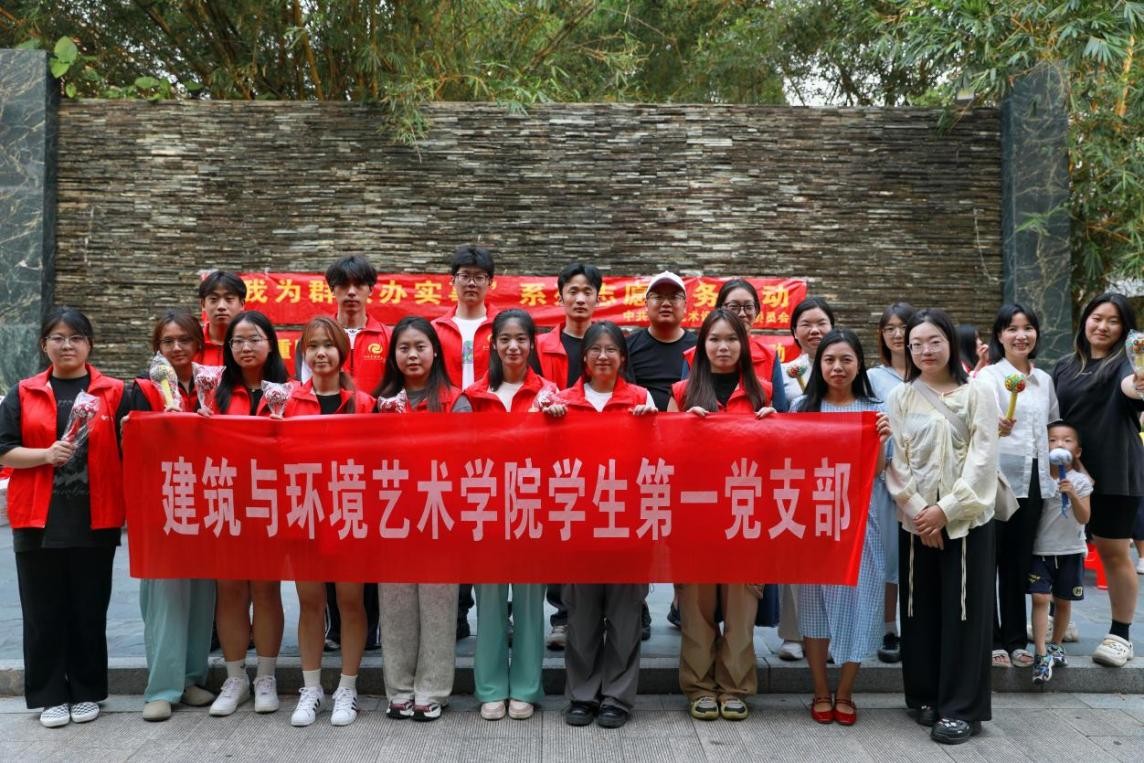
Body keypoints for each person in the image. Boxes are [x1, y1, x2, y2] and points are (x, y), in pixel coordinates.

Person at [0, 308, 127, 728]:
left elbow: (134, 444)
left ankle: (87, 691)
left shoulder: (113, 392)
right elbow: (4, 450)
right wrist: (45, 454)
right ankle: (50, 695)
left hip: (95, 518)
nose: (66, 345)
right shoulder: (23, 392)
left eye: (76, 337)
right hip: (36, 519)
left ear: (89, 345)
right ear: (44, 345)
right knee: (43, 613)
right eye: (57, 337)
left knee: (89, 610)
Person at [885, 308, 999, 745]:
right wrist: (920, 511)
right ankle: (926, 696)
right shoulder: (901, 396)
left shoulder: (978, 392)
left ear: (951, 342)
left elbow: (983, 460)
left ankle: (961, 708)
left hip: (966, 523)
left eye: (934, 341)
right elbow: (896, 461)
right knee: (920, 610)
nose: (925, 351)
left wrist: (945, 511)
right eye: (916, 344)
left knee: (964, 613)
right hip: (916, 522)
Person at [542, 321, 657, 729]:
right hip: (579, 524)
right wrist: (547, 422)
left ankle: (617, 698)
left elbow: (660, 456)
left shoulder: (641, 399)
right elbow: (543, 458)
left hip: (628, 525)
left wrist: (653, 424)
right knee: (582, 618)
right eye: (596, 349)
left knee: (625, 619)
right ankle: (582, 695)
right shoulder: (562, 402)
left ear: (622, 357)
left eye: (611, 349)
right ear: (585, 358)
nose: (603, 356)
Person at [667, 309, 775, 722]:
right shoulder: (681, 392)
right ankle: (698, 687)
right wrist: (681, 427)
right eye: (714, 339)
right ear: (701, 346)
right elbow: (662, 456)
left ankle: (735, 686)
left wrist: (775, 427)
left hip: (746, 515)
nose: (723, 347)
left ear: (743, 345)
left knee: (741, 608)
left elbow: (782, 455)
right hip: (695, 517)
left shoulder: (763, 392)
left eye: (731, 339)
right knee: (696, 608)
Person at [793, 329, 892, 726]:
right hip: (811, 523)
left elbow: (879, 470)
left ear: (859, 364)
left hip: (859, 523)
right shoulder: (803, 407)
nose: (837, 367)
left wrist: (880, 441)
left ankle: (846, 691)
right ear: (818, 364)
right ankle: (820, 690)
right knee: (813, 608)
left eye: (846, 360)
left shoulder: (875, 409)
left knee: (861, 604)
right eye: (830, 360)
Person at [374, 316, 469, 721]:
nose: (412, 355)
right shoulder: (379, 402)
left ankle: (432, 689)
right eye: (404, 348)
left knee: (437, 605)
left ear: (436, 352)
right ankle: (398, 688)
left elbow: (465, 456)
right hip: (392, 514)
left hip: (438, 513)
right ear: (393, 356)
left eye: (420, 347)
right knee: (395, 604)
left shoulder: (455, 400)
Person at [464, 310, 557, 721]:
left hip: (532, 508)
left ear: (532, 344)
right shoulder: (473, 395)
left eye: (521, 339)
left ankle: (525, 687)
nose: (513, 346)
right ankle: (490, 687)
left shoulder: (550, 394)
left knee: (529, 602)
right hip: (486, 508)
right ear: (494, 344)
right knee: (489, 602)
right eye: (505, 339)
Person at [282, 317, 375, 728]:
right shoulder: (288, 401)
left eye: (328, 345)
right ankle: (311, 688)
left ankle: (347, 688)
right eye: (313, 346)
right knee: (310, 602)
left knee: (350, 602)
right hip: (304, 511)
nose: (321, 353)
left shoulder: (364, 403)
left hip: (349, 511)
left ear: (343, 352)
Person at [126, 310, 216, 722]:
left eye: (184, 340)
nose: (177, 348)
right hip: (161, 503)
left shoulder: (211, 385)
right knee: (165, 597)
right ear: (157, 348)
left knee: (201, 593)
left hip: (208, 501)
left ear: (198, 344)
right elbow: (130, 445)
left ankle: (192, 678)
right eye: (167, 341)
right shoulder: (142, 389)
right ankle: (161, 687)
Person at [200, 310, 290, 717]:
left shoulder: (290, 391)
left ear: (270, 343)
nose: (245, 347)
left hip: (272, 503)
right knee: (231, 590)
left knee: (266, 589)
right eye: (237, 341)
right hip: (227, 502)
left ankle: (266, 677)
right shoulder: (214, 391)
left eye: (254, 339)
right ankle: (235, 678)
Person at [296, 255, 385, 657]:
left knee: (361, 554)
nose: (350, 292)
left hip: (363, 456)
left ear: (370, 290)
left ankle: (368, 626)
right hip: (315, 470)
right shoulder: (316, 335)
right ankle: (334, 627)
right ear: (331, 290)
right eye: (342, 285)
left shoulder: (385, 336)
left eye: (358, 285)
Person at [1051, 293, 1144, 667]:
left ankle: (1121, 635)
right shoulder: (1064, 366)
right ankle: (1061, 621)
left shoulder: (1125, 365)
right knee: (1060, 549)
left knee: (1113, 552)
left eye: (1113, 321)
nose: (1102, 326)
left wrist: (1139, 380)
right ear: (1085, 320)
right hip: (1067, 476)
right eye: (1096, 317)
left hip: (1115, 473)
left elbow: (1131, 387)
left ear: (1124, 329)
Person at [977, 304, 1058, 669]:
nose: (1021, 335)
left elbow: (1052, 426)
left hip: (1036, 481)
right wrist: (995, 426)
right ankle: (992, 639)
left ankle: (1014, 638)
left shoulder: (1044, 381)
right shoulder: (988, 378)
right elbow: (975, 427)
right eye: (1012, 328)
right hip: (997, 481)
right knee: (991, 559)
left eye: (1028, 328)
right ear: (1000, 335)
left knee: (1018, 562)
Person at [626, 271, 697, 639]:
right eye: (658, 296)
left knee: (684, 534)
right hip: (641, 454)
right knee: (640, 534)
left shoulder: (699, 346)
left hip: (689, 456)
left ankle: (682, 603)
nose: (666, 303)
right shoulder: (630, 346)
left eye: (674, 297)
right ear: (646, 304)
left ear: (685, 305)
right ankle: (637, 605)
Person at [431, 244, 496, 637]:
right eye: (465, 275)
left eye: (479, 276)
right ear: (451, 281)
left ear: (491, 283)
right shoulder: (435, 330)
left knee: (489, 525)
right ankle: (454, 612)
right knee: (451, 524)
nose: (471, 283)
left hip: (494, 441)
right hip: (445, 442)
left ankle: (497, 614)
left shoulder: (504, 327)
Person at [536, 263, 602, 650]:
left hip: (599, 455)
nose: (579, 298)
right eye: (573, 291)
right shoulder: (542, 346)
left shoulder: (607, 343)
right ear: (559, 296)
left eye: (587, 291)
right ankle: (562, 617)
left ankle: (612, 612)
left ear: (597, 298)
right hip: (554, 454)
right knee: (559, 535)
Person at [776, 296, 836, 661]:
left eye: (821, 323)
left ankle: (827, 634)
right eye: (806, 324)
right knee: (794, 553)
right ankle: (792, 634)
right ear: (794, 332)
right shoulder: (784, 371)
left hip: (835, 474)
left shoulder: (844, 367)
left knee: (831, 556)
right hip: (794, 473)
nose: (814, 330)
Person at [868, 301, 915, 664]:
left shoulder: (931, 372)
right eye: (890, 329)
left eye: (904, 327)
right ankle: (888, 627)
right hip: (884, 478)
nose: (897, 335)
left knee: (918, 554)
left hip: (926, 480)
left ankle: (918, 625)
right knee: (887, 555)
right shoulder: (873, 378)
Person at [1029, 420, 1093, 685]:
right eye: (1053, 440)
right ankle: (1040, 652)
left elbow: (1084, 517)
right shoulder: (1038, 479)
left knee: (1063, 601)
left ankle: (1056, 644)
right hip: (1041, 550)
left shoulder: (1081, 481)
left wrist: (1073, 494)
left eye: (1067, 440)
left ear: (1077, 451)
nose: (1059, 444)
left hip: (1071, 550)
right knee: (1040, 598)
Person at [682, 279, 782, 410]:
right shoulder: (694, 355)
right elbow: (682, 403)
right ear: (719, 310)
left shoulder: (769, 356)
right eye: (734, 307)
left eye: (748, 307)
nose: (742, 314)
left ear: (757, 310)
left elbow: (780, 411)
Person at [196, 271, 246, 366]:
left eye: (229, 299)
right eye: (214, 299)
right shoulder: (193, 344)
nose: (221, 306)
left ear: (242, 304)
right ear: (203, 304)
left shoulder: (250, 346)